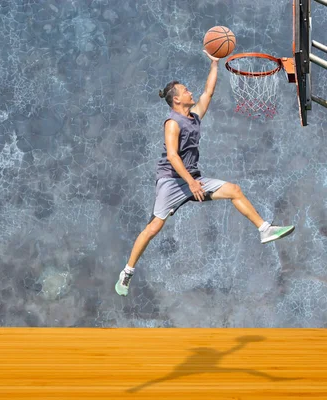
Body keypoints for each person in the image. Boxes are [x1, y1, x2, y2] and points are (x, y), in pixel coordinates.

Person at [115, 50, 295, 297]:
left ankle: (264, 229)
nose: (190, 92)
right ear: (176, 100)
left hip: (192, 179)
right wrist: (191, 183)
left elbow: (208, 92)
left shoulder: (194, 116)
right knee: (154, 228)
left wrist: (214, 64)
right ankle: (127, 272)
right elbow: (172, 156)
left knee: (234, 190)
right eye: (185, 90)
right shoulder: (172, 123)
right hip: (172, 181)